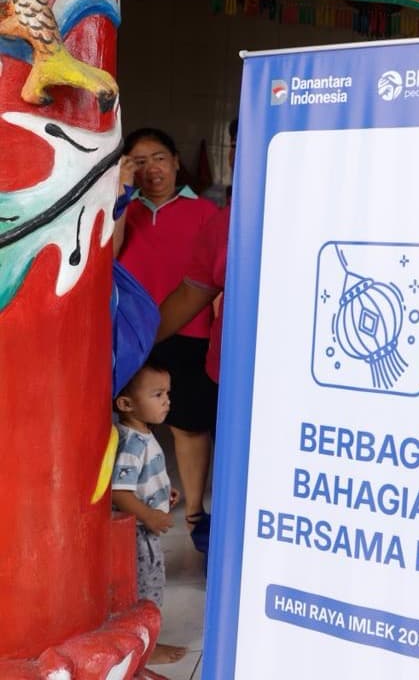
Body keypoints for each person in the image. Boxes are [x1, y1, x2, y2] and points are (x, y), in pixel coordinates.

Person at [116, 128, 218, 537]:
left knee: (187, 424)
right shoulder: (125, 209)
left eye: (159, 158)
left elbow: (216, 277)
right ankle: (131, 504)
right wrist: (121, 194)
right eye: (139, 162)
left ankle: (194, 513)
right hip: (132, 334)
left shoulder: (206, 212)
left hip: (190, 333)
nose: (151, 169)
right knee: (129, 421)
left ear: (176, 161)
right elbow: (109, 250)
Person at [111, 362, 188, 666]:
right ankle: (145, 649)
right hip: (138, 535)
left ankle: (147, 641)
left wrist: (162, 494)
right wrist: (149, 515)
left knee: (152, 589)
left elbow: (141, 482)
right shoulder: (131, 443)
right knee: (144, 593)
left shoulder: (143, 433)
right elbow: (119, 492)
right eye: (157, 395)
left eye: (167, 393)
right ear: (126, 404)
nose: (166, 401)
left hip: (145, 529)